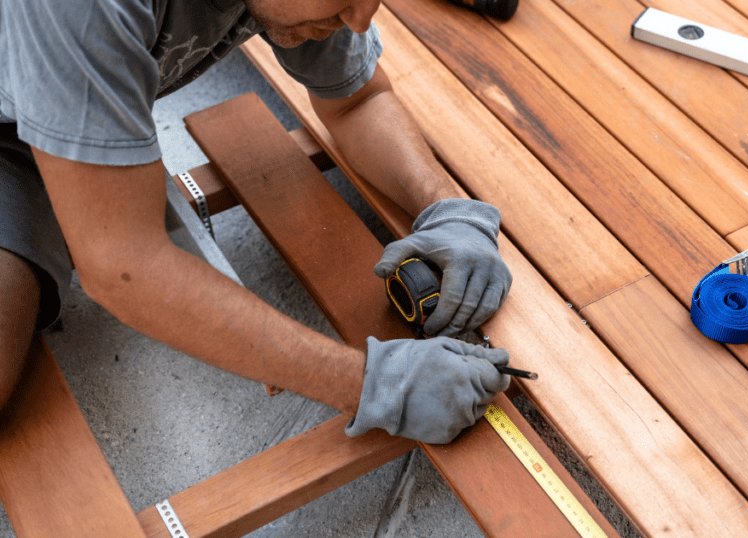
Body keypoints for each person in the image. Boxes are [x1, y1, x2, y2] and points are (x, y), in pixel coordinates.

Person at [0, 0, 513, 444]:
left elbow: (358, 102)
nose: (361, 20)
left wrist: (449, 211)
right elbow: (123, 265)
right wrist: (370, 385)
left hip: (34, 107)